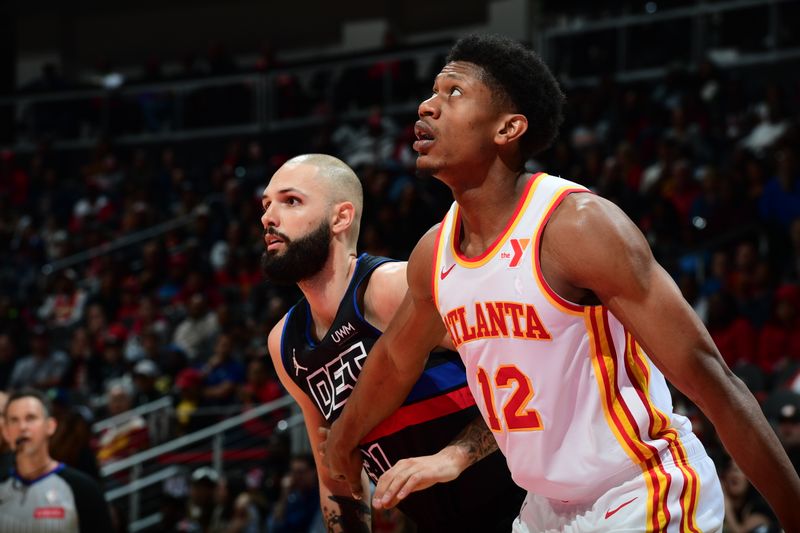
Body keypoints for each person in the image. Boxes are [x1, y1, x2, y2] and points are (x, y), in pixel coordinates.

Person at [324, 34, 800, 532]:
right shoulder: (434, 253)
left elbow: (716, 385)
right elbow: (395, 361)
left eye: (454, 92)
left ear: (509, 128)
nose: (428, 105)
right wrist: (341, 441)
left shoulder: (576, 228)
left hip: (641, 487)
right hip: (545, 508)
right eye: (432, 91)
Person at [262, 154, 525, 531]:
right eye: (266, 204)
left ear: (341, 218)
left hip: (527, 506)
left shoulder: (390, 288)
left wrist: (454, 456)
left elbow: (524, 375)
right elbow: (335, 474)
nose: (268, 217)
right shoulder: (285, 344)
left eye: (291, 201)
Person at [0, 388, 113, 532]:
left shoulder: (83, 488)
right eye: (14, 420)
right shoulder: (2, 486)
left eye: (31, 418)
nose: (22, 427)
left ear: (50, 426)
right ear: (6, 432)